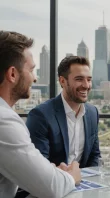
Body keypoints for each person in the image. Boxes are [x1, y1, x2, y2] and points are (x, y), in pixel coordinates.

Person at [0, 30, 81, 197]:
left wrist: (49, 173)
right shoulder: (4, 120)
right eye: (31, 70)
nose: (35, 78)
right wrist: (71, 176)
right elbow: (51, 188)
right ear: (13, 74)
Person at [26, 56, 100, 168]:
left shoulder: (92, 113)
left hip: (84, 181)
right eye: (79, 79)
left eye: (89, 79)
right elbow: (39, 166)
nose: (86, 85)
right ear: (62, 81)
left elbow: (94, 156)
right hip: (53, 182)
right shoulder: (41, 115)